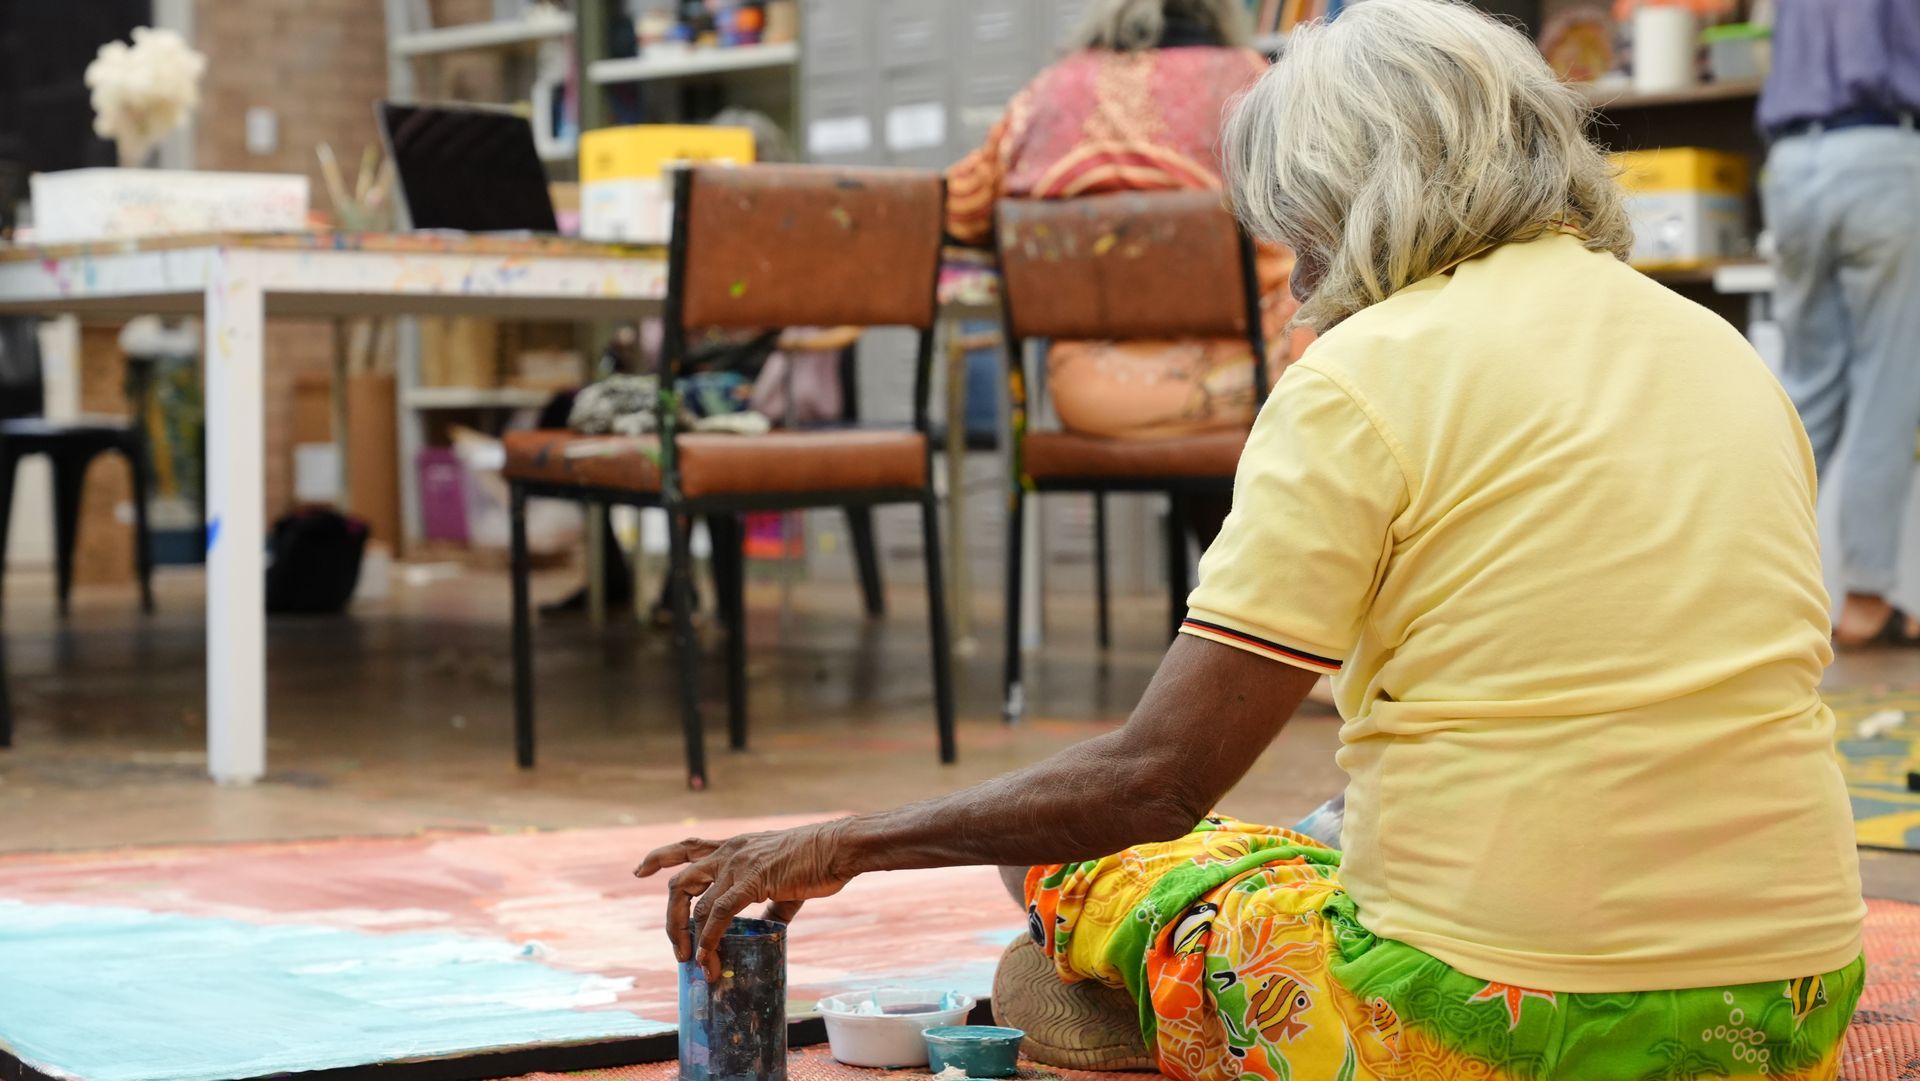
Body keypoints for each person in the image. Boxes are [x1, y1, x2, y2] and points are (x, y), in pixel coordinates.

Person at [639, 1, 1866, 1078]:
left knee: (1071, 868)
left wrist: (846, 840)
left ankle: (1128, 1002)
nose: (1297, 281)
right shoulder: (1721, 347)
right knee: (1303, 834)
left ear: (1355, 194)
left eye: (1299, 229)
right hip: (1785, 1008)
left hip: (1485, 1028)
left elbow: (1152, 783)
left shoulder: (1366, 373)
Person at [946, 0, 1313, 448]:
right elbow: (1312, 215)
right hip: (1256, 387)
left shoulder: (1045, 94)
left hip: (1090, 393)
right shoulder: (1249, 81)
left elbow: (959, 210)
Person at [1759, 0, 1920, 648]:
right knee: (1889, 382)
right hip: (1881, 152)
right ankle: (1868, 593)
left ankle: (1752, 579)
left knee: (1804, 391)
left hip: (1792, 167)